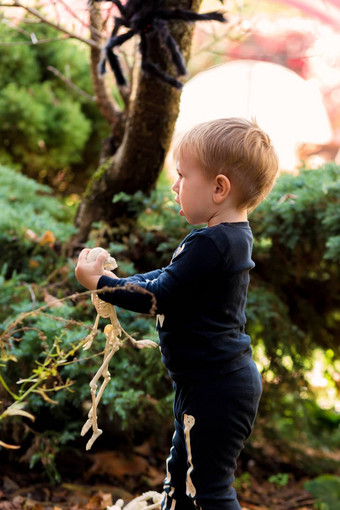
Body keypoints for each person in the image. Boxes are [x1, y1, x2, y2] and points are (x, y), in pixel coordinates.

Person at [75, 117, 279, 510]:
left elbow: (159, 296)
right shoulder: (224, 238)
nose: (174, 185)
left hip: (216, 388)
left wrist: (100, 284)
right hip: (209, 383)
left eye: (183, 176)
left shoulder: (214, 243)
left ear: (220, 188)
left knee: (206, 488)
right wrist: (115, 278)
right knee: (183, 479)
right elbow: (168, 280)